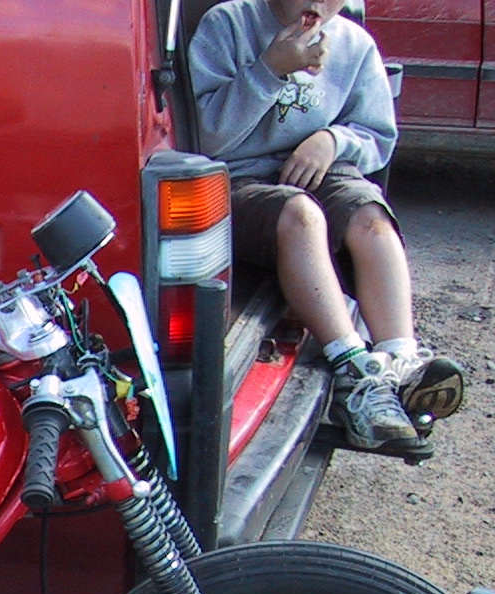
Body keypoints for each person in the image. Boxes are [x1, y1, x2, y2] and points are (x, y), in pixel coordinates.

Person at [189, 0, 464, 448]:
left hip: (321, 170)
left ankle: (402, 363)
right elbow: (205, 136)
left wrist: (333, 140)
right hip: (236, 178)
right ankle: (355, 372)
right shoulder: (230, 24)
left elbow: (378, 136)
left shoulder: (354, 45)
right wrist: (269, 70)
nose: (317, 3)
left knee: (370, 216)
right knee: (301, 215)